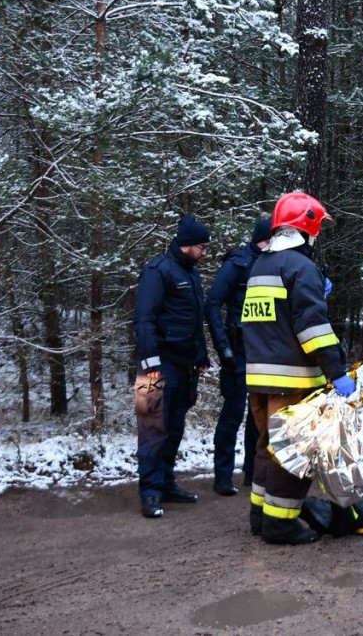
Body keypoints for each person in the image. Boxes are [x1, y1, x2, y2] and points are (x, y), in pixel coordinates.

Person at [241, 191, 352, 545]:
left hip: (258, 378)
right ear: (307, 226)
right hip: (292, 380)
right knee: (293, 453)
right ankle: (280, 524)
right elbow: (312, 330)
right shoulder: (301, 267)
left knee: (265, 448)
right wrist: (337, 372)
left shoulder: (261, 264)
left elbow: (272, 320)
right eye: (318, 226)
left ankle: (260, 516)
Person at [133, 214, 212, 519]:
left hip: (185, 365)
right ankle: (150, 492)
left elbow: (195, 321)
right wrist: (150, 362)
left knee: (175, 427)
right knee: (151, 426)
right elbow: (144, 319)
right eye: (202, 248)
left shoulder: (191, 274)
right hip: (154, 365)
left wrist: (201, 356)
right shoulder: (157, 270)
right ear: (187, 245)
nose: (205, 253)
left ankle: (166, 483)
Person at [204, 219, 272, 496]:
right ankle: (222, 476)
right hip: (237, 351)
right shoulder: (237, 263)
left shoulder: (273, 262)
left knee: (259, 417)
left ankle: (252, 473)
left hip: (263, 352)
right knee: (232, 415)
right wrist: (223, 348)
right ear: (264, 238)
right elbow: (212, 303)